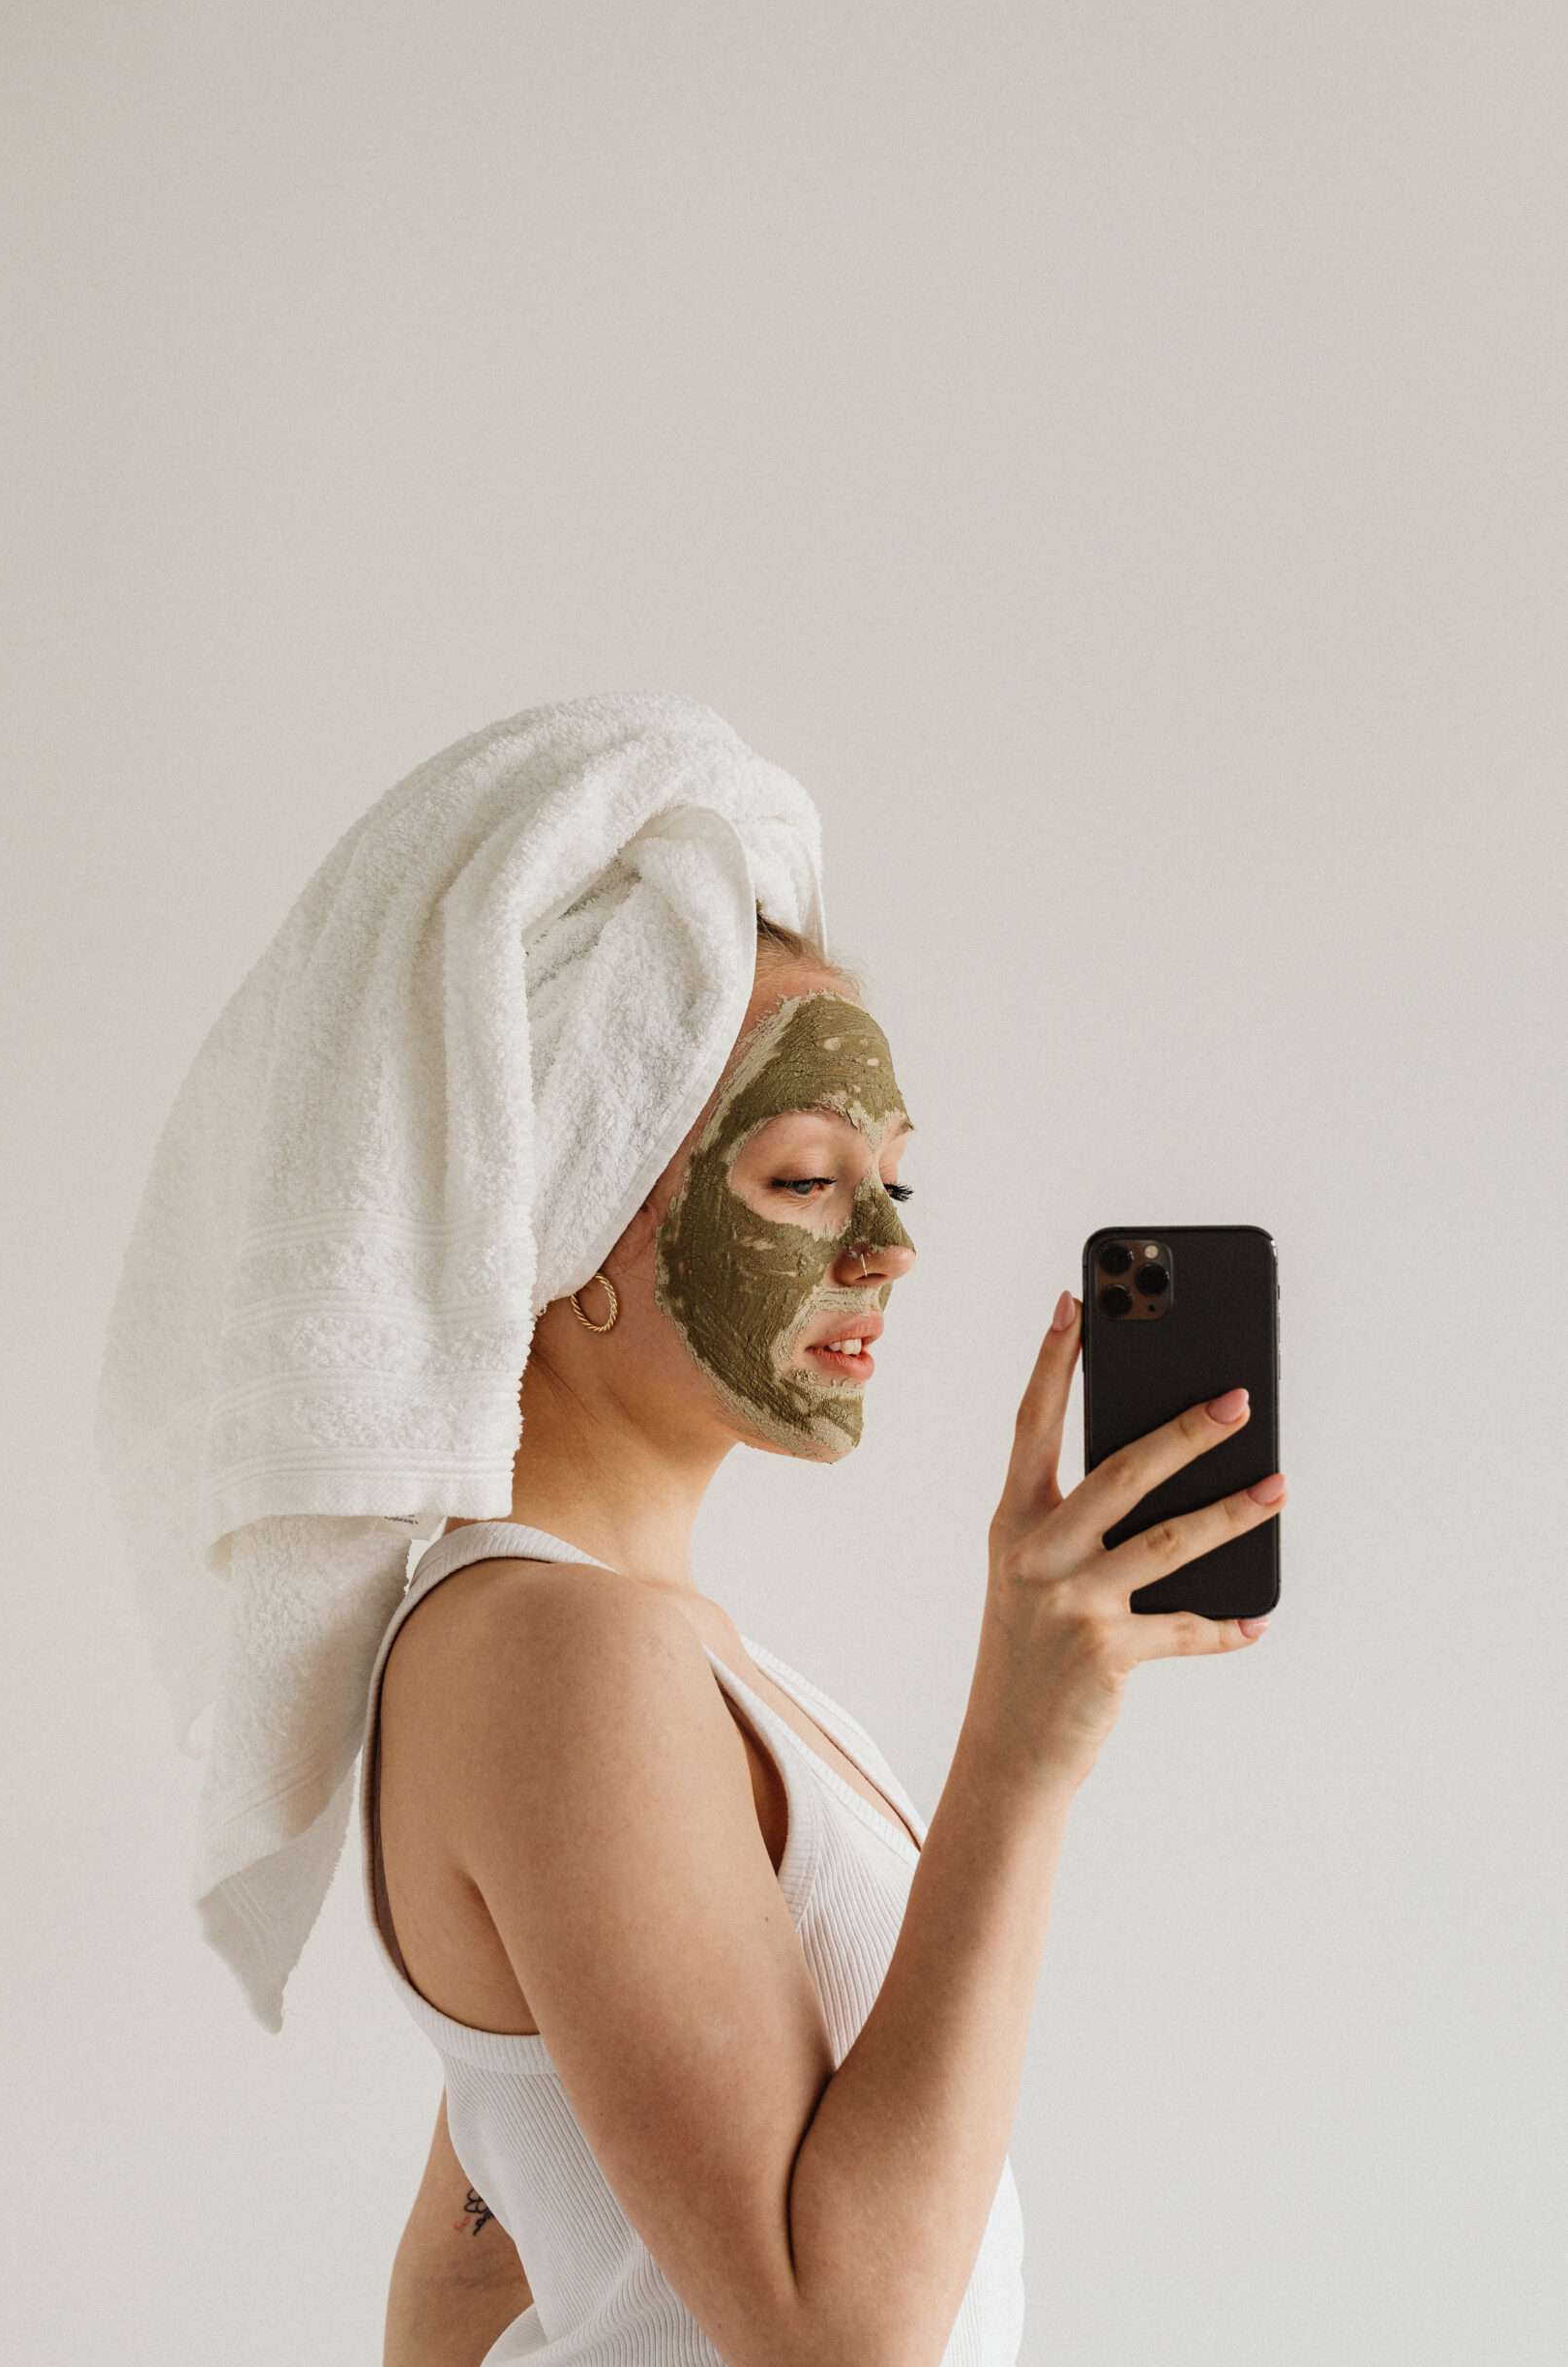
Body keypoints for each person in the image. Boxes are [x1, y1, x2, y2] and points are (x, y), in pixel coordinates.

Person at [367, 908, 1284, 2365]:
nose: (892, 1247)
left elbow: (470, 2262)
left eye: (895, 1178)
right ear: (568, 1210)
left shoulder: (608, 1645)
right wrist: (1019, 1752)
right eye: (805, 1178)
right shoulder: (568, 1655)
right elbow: (839, 2342)